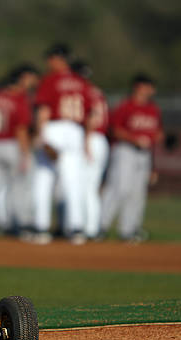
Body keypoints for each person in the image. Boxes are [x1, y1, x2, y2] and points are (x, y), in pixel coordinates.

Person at [31, 44, 92, 245]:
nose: (49, 62)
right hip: (75, 130)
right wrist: (86, 140)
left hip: (55, 128)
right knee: (72, 181)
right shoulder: (81, 82)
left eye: (51, 58)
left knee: (44, 178)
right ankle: (76, 229)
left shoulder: (50, 80)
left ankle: (41, 228)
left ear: (59, 59)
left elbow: (44, 110)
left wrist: (41, 135)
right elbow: (91, 114)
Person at [100, 74, 163, 242]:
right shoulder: (125, 106)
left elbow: (158, 133)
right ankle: (100, 226)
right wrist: (134, 139)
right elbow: (115, 130)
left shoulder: (153, 109)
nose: (151, 90)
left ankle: (129, 229)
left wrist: (154, 163)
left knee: (137, 193)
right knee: (119, 188)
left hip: (144, 154)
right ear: (138, 87)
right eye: (148, 86)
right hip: (125, 150)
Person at [0, 64, 39, 235]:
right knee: (19, 186)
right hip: (12, 145)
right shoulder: (19, 98)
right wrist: (25, 155)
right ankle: (21, 223)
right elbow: (21, 129)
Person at [71, 60, 110, 240]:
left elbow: (91, 117)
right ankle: (92, 228)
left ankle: (89, 229)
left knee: (83, 188)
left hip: (90, 138)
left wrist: (86, 140)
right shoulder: (97, 91)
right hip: (100, 139)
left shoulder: (82, 90)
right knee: (91, 188)